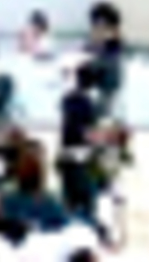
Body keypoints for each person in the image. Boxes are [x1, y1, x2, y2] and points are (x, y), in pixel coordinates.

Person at [56, 63, 104, 223]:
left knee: (68, 197)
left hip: (66, 152)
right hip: (83, 155)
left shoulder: (67, 99)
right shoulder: (90, 103)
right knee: (87, 199)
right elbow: (90, 132)